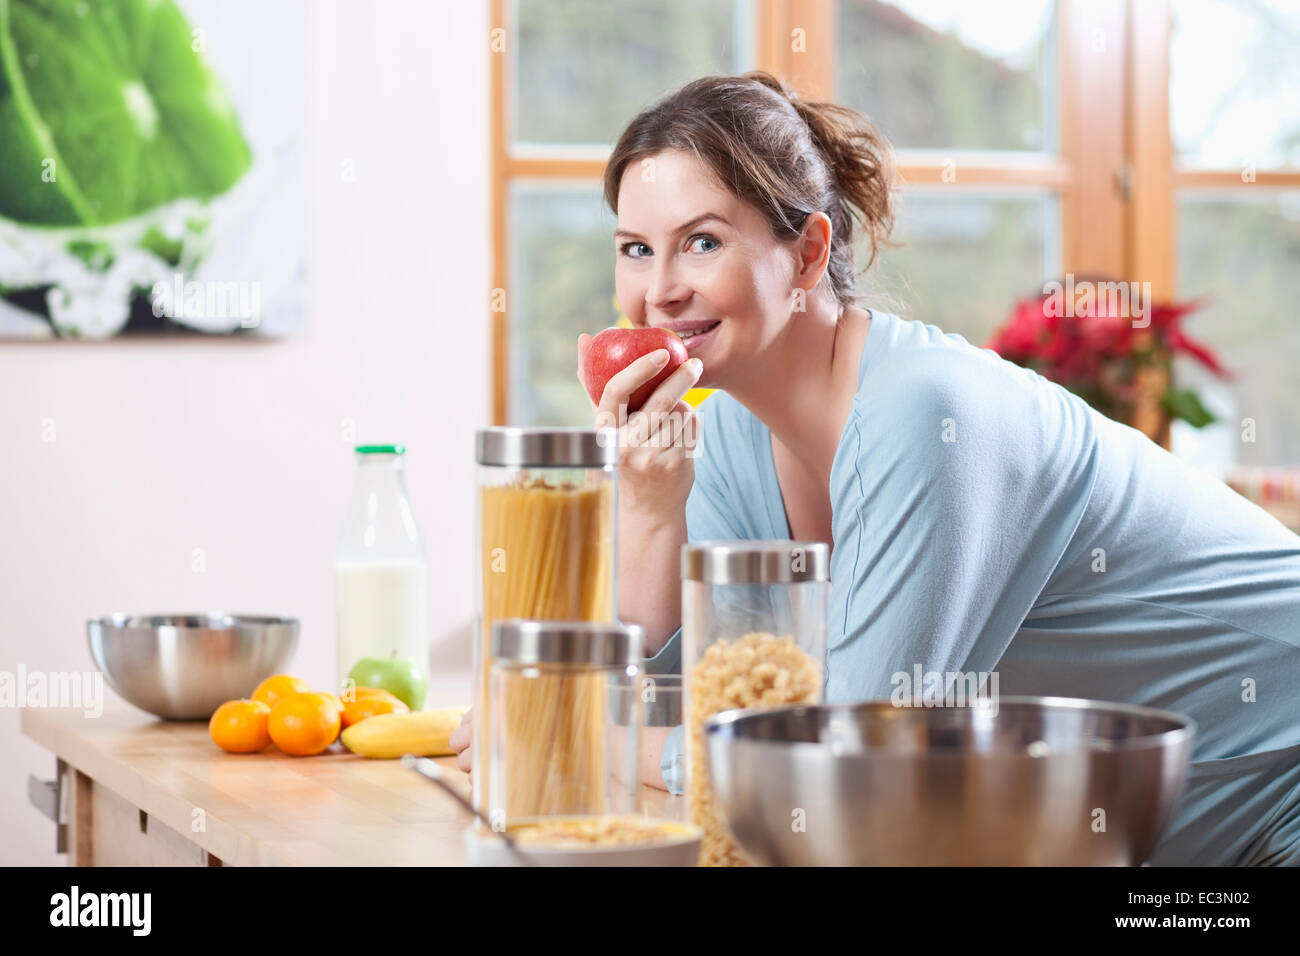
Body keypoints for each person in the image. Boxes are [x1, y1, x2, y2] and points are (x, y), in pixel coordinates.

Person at [453, 71, 1300, 866]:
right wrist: (645, 506)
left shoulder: (929, 415)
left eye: (701, 242)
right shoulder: (739, 431)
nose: (660, 291)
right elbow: (666, 697)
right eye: (636, 249)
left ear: (811, 254)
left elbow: (840, 767)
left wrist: (558, 724)